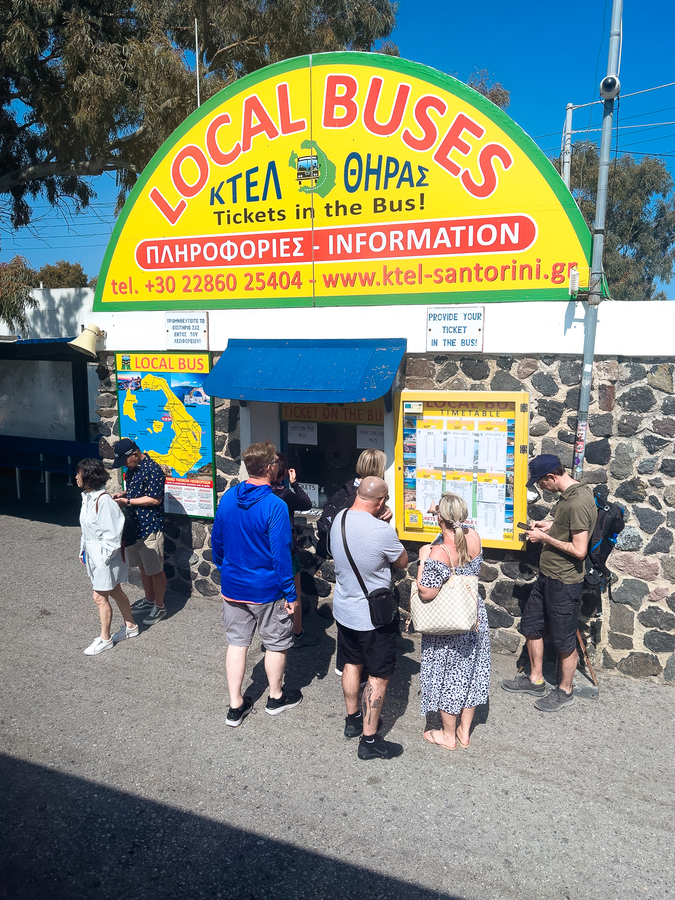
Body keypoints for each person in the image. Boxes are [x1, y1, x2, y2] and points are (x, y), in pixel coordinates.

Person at [212, 440, 302, 726]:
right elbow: (281, 555)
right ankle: (275, 697)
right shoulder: (274, 505)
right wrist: (291, 594)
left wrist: (223, 567)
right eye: (276, 461)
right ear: (270, 467)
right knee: (275, 644)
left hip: (233, 585)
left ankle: (236, 705)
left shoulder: (228, 497)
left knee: (237, 643)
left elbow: (218, 540)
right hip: (266, 589)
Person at [501, 454, 598, 712]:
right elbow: (568, 526)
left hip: (564, 582)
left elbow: (579, 550)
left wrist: (544, 538)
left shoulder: (578, 502)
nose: (540, 488)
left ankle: (565, 691)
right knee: (532, 626)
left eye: (540, 483)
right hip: (547, 577)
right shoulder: (570, 496)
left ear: (551, 477)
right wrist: (549, 525)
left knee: (564, 640)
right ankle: (535, 680)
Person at [330, 476, 408, 760]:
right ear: (381, 501)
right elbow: (401, 562)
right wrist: (388, 527)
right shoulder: (381, 530)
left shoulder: (338, 518)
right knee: (378, 675)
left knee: (351, 662)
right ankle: (370, 739)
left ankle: (353, 720)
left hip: (344, 609)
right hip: (373, 617)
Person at [416, 493, 490, 750]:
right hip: (473, 615)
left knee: (449, 676)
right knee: (468, 674)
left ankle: (448, 735)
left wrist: (422, 559)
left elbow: (426, 591)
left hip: (449, 622)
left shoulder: (438, 551)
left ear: (440, 517)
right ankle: (464, 732)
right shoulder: (474, 537)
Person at [77, 458, 138, 656]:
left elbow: (112, 535)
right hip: (94, 554)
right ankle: (131, 626)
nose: (76, 477)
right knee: (115, 590)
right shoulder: (87, 498)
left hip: (105, 557)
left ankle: (105, 639)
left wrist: (102, 559)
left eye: (79, 473)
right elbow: (86, 529)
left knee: (99, 597)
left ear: (89, 477)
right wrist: (83, 550)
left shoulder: (104, 502)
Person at [111, 438, 167, 626]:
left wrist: (127, 502)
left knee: (155, 569)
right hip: (135, 526)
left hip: (149, 527)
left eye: (126, 461)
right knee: (144, 566)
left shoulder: (153, 470)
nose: (125, 465)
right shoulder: (132, 470)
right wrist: (123, 494)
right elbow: (136, 492)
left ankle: (160, 606)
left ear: (135, 454)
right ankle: (149, 599)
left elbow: (154, 499)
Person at [271, 453, 318, 648]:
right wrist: (295, 483)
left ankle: (271, 633)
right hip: (287, 550)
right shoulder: (284, 494)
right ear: (283, 472)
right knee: (294, 592)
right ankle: (297, 633)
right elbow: (307, 504)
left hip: (265, 550)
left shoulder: (260, 493)